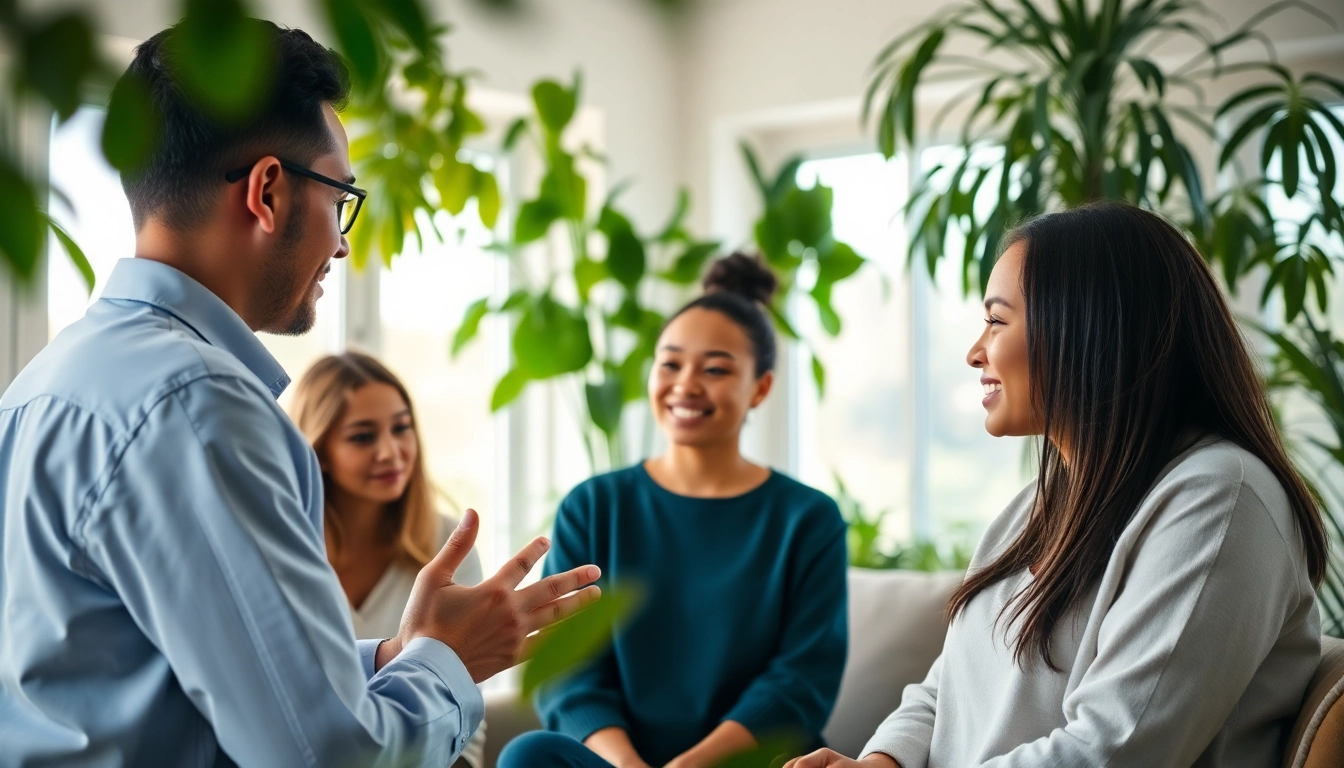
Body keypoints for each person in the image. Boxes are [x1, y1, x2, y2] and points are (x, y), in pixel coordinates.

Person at [0, 20, 600, 767]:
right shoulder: (197, 406)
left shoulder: (41, 389)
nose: (344, 243)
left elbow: (154, 673)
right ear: (269, 191)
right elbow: (327, 757)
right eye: (341, 194)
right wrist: (445, 662)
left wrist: (394, 655)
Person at [784, 202, 1328, 768]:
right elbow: (948, 687)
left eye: (997, 321)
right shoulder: (1040, 506)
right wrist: (881, 763)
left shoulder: (1218, 499)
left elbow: (1115, 749)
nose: (975, 351)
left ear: (1088, 326)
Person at [499, 254, 850, 768]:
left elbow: (800, 679)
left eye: (715, 369)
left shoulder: (807, 518)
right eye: (670, 363)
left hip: (750, 762)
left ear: (761, 388)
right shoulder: (595, 506)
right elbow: (570, 668)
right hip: (623, 764)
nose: (685, 384)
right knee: (529, 755)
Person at [289, 352, 490, 768]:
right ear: (320, 450)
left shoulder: (447, 545)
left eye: (402, 429)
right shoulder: (283, 546)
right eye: (363, 437)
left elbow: (464, 705)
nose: (391, 452)